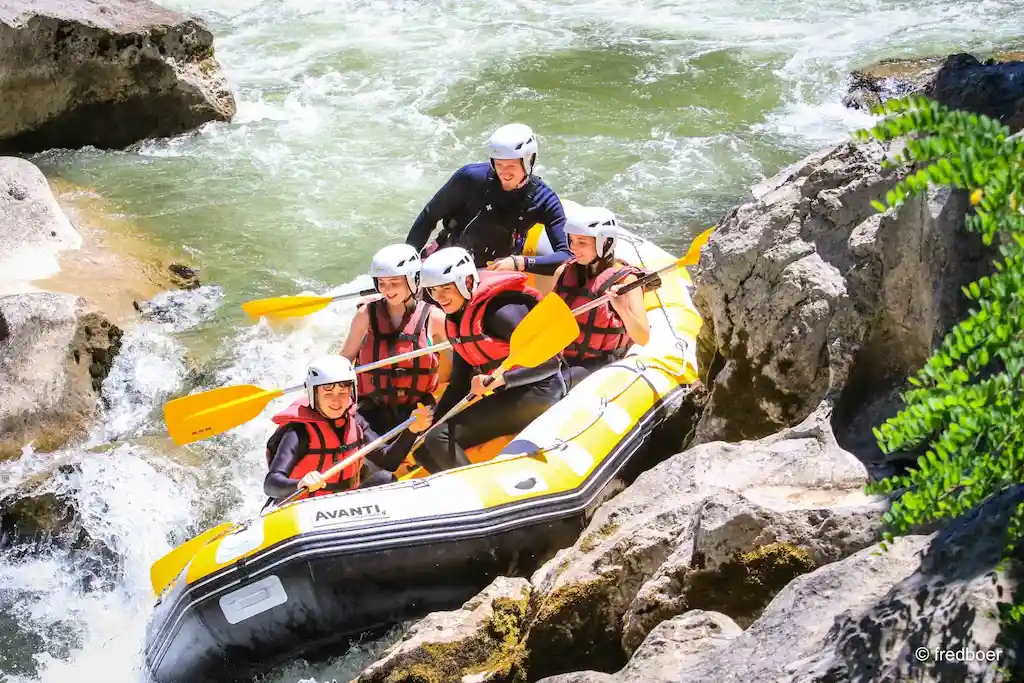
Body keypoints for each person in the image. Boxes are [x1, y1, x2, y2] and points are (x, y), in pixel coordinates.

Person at [414, 246, 567, 473]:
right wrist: (434, 419)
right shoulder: (457, 318)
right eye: (434, 291)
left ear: (466, 283)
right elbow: (459, 383)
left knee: (439, 437)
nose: (440, 298)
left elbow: (551, 362)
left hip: (539, 390)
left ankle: (477, 492)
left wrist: (502, 379)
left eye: (446, 288)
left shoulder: (500, 311)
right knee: (424, 445)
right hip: (507, 392)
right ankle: (453, 489)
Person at [405, 123, 572, 276]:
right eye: (499, 165)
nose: (504, 173)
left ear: (529, 161)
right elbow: (429, 216)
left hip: (495, 272)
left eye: (511, 166)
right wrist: (407, 263)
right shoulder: (469, 178)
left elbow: (566, 256)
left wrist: (520, 262)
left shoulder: (544, 200)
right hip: (449, 263)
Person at [264, 356, 433, 502]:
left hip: (345, 502)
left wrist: (411, 431)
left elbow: (388, 460)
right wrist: (299, 484)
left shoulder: (356, 421)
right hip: (306, 505)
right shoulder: (299, 431)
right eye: (328, 395)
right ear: (314, 395)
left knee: (385, 479)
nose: (337, 401)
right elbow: (271, 484)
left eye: (343, 393)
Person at [340, 243, 450, 435]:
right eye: (382, 283)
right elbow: (344, 360)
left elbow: (449, 371)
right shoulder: (365, 315)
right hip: (372, 408)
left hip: (419, 409)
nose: (387, 289)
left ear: (413, 279)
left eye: (394, 282)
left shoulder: (435, 318)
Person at [552, 201, 651, 388]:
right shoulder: (563, 272)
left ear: (605, 243)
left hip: (599, 362)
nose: (573, 248)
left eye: (582, 242)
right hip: (562, 356)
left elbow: (643, 338)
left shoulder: (626, 282)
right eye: (571, 241)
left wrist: (623, 310)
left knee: (556, 386)